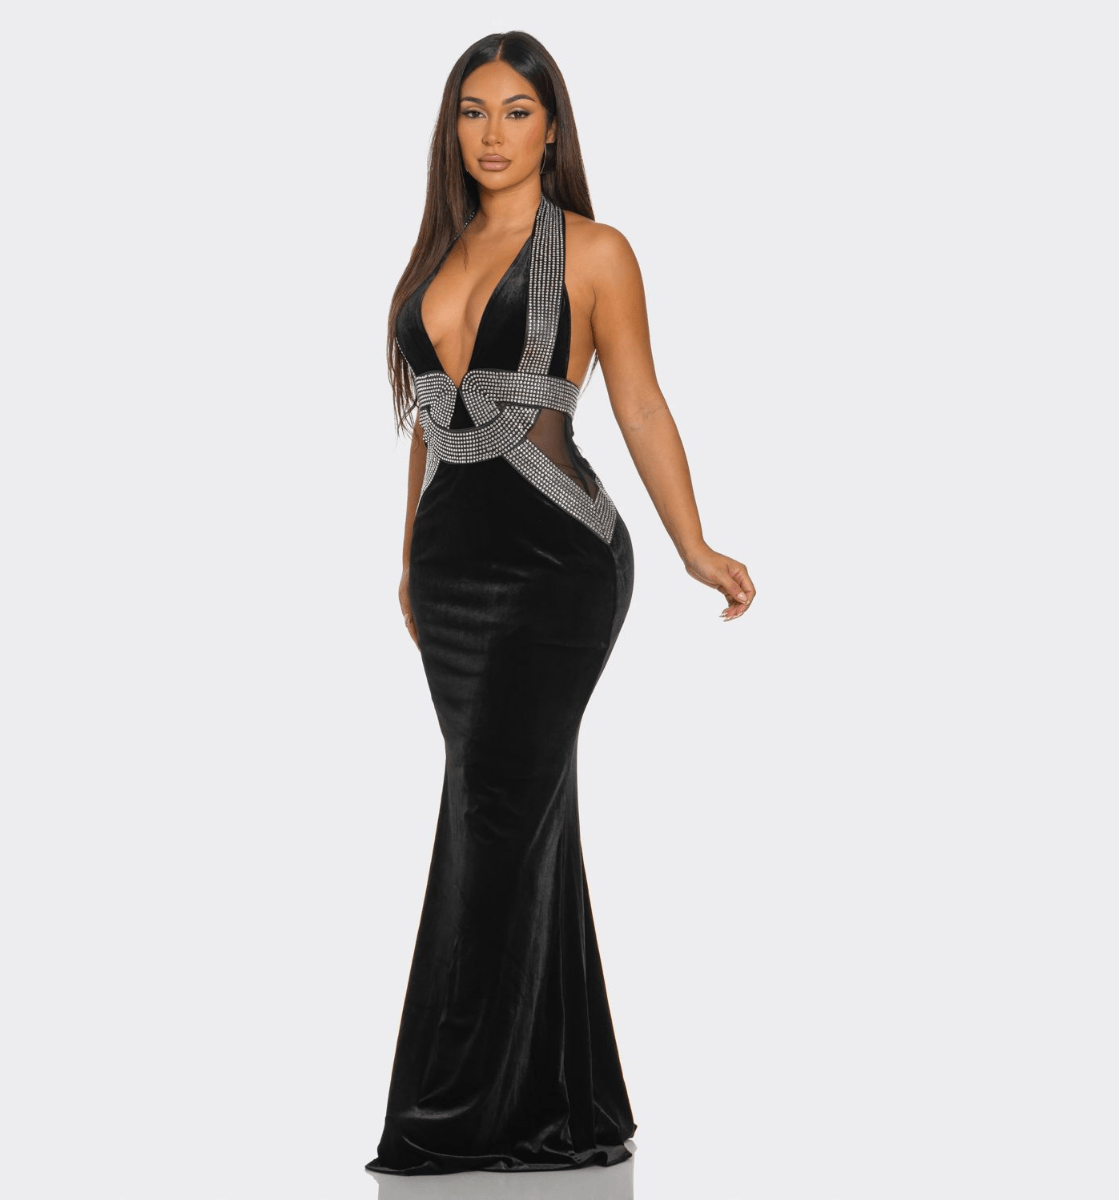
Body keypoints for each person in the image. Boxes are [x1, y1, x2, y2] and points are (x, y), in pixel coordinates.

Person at [365, 29, 756, 1177]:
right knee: (522, 815)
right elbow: (427, 426)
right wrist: (410, 561)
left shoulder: (595, 251)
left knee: (490, 811)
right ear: (452, 129)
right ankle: (567, 1101)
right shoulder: (431, 257)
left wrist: (692, 546)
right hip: (451, 574)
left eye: (516, 112)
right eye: (472, 111)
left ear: (552, 129)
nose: (492, 134)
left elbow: (638, 402)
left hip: (557, 565)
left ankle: (454, 1110)